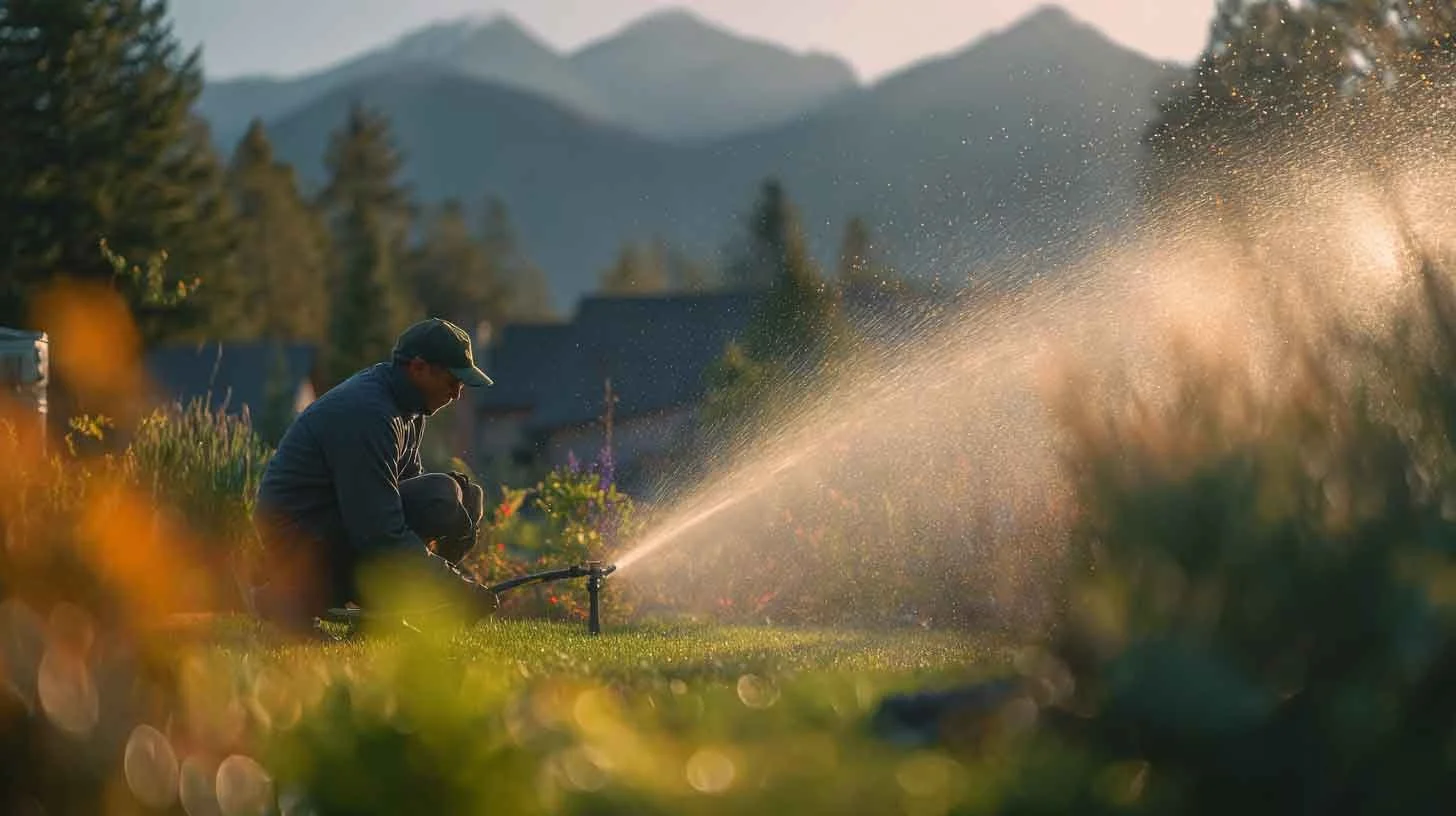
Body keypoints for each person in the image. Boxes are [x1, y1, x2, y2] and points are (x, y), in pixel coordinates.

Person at [247, 318, 498, 632]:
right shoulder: (368, 415)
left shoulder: (410, 407)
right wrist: (453, 586)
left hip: (335, 529)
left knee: (468, 498)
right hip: (297, 546)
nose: (458, 393)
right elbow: (380, 532)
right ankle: (289, 601)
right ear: (418, 368)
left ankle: (382, 619)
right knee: (441, 497)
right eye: (452, 381)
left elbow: (405, 506)